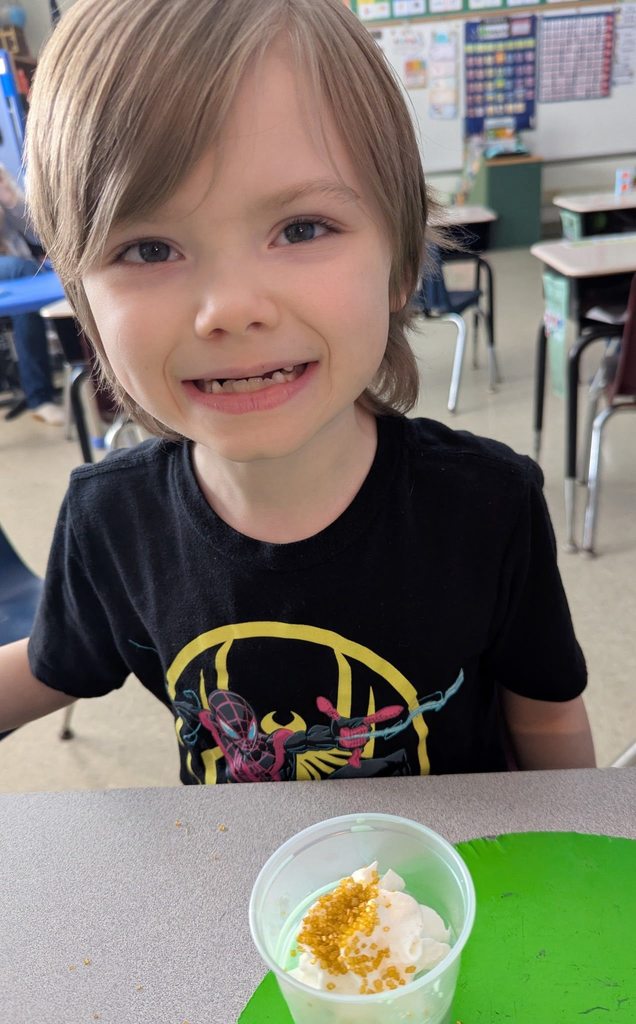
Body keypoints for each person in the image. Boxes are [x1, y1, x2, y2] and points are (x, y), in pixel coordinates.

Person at [0, 0, 595, 782]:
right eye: (149, 247)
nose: (231, 309)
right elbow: (51, 666)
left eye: (303, 229)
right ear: (84, 301)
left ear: (403, 260)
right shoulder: (112, 523)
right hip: (247, 894)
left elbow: (546, 717)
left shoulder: (488, 506)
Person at [0, 165, 64, 425]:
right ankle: (39, 395)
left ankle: (42, 394)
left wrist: (10, 199)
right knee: (24, 269)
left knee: (29, 303)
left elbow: (39, 233)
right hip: (19, 271)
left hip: (21, 275)